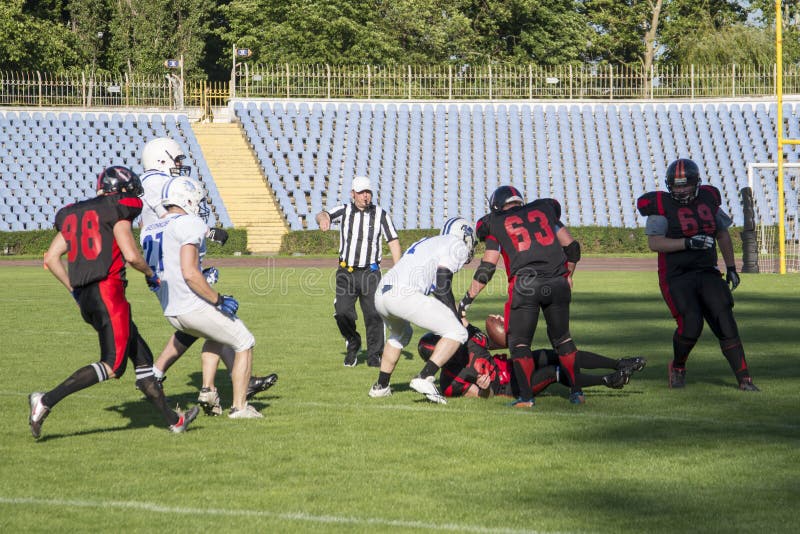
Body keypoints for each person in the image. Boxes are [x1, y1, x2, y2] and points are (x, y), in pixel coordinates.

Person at [30, 166, 199, 439]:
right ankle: (45, 400)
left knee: (143, 361)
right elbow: (131, 255)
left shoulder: (75, 212)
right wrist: (151, 273)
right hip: (108, 293)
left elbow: (51, 258)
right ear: (121, 190)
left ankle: (174, 421)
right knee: (112, 365)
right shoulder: (117, 209)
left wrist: (74, 291)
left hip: (87, 296)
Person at [139, 138, 275, 406]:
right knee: (222, 324)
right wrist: (206, 233)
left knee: (205, 327)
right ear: (161, 159)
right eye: (176, 161)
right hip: (176, 273)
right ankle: (158, 375)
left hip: (163, 270)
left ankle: (204, 387)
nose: (179, 166)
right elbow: (176, 221)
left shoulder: (150, 194)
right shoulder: (158, 185)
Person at [636, 158, 759, 391]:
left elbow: (722, 234)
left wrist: (731, 267)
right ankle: (678, 367)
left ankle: (745, 379)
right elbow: (655, 243)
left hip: (707, 271)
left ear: (696, 183)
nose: (680, 190)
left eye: (685, 185)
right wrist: (688, 243)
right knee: (691, 324)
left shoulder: (708, 198)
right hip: (676, 275)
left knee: (725, 319)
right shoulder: (660, 205)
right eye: (676, 185)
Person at [458, 186, 584, 407]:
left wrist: (467, 298)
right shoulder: (545, 209)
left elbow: (487, 268)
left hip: (526, 285)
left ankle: (526, 398)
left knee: (520, 344)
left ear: (496, 206)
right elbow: (572, 248)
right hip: (557, 280)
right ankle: (577, 393)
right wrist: (569, 275)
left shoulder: (495, 222)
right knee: (563, 339)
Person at [368, 217, 476, 404]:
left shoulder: (429, 241)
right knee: (457, 332)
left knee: (401, 334)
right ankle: (425, 376)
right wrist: (456, 318)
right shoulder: (455, 244)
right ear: (465, 236)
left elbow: (435, 287)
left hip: (382, 293)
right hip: (403, 294)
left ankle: (381, 386)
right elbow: (442, 285)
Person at [417, 322, 647, 402]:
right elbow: (483, 396)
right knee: (552, 371)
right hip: (510, 387)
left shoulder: (468, 340)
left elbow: (497, 342)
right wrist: (485, 390)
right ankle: (608, 380)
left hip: (514, 363)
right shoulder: (450, 381)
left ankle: (619, 364)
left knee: (560, 354)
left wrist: (501, 329)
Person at [315, 176, 401, 367]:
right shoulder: (344, 210)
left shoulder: (380, 214)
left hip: (370, 273)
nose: (365, 196)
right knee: (342, 311)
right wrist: (323, 220)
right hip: (346, 273)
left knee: (373, 314)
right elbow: (323, 214)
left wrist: (399, 269)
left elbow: (393, 240)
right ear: (353, 193)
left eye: (368, 192)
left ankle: (375, 355)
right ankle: (353, 342)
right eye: (361, 192)